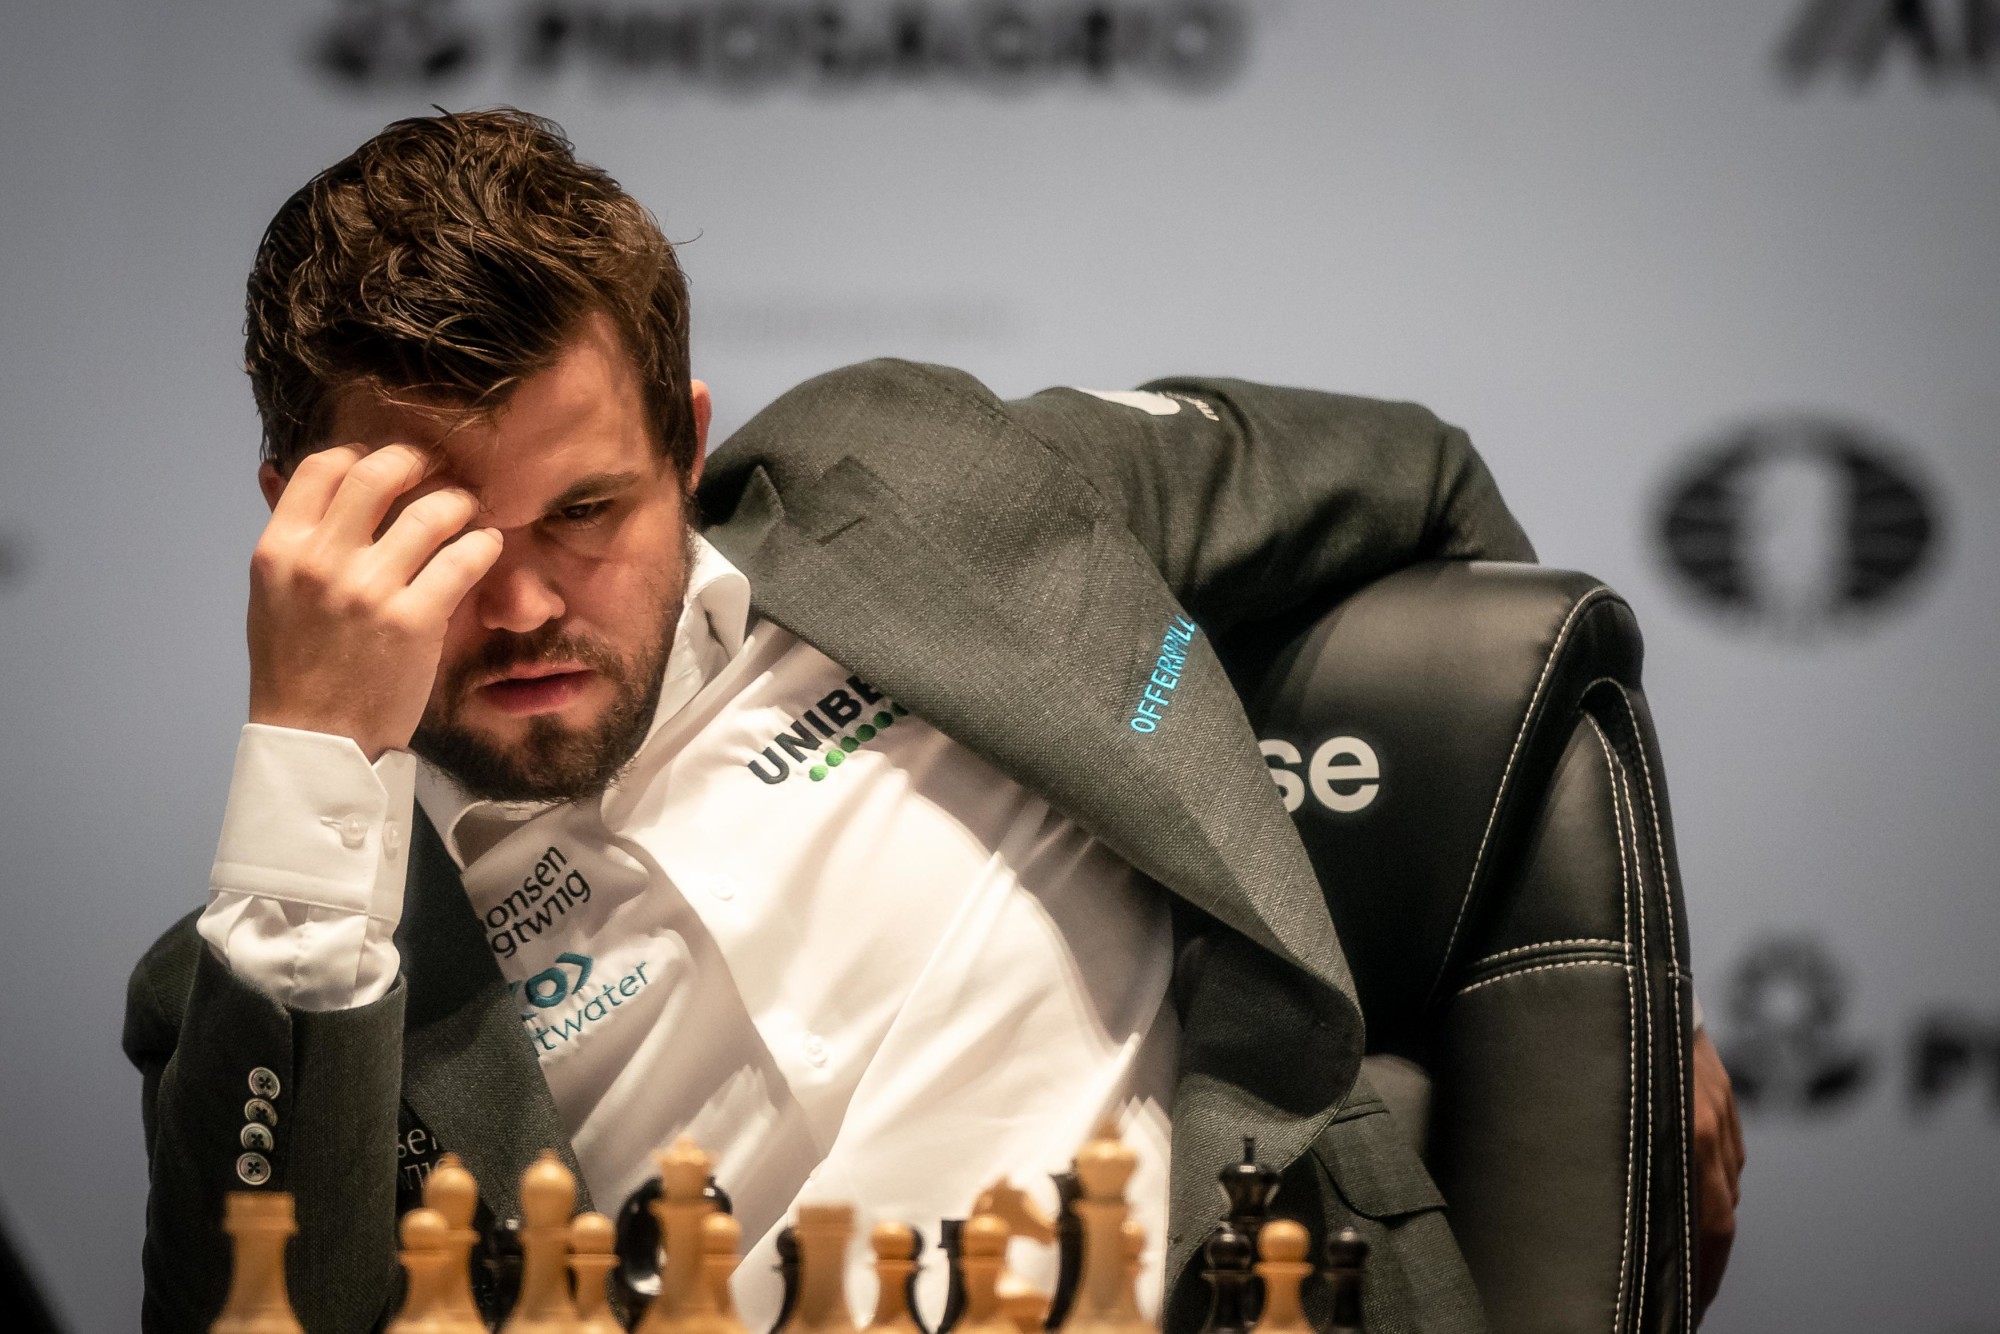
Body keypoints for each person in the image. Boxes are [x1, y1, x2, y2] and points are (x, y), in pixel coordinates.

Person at [123, 109, 1742, 1333]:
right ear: (301, 524)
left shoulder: (933, 489)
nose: (530, 604)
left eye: (588, 512)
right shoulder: (275, 965)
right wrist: (316, 765)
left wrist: (1614, 1002)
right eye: (450, 537)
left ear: (687, 445)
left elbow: (1421, 484)